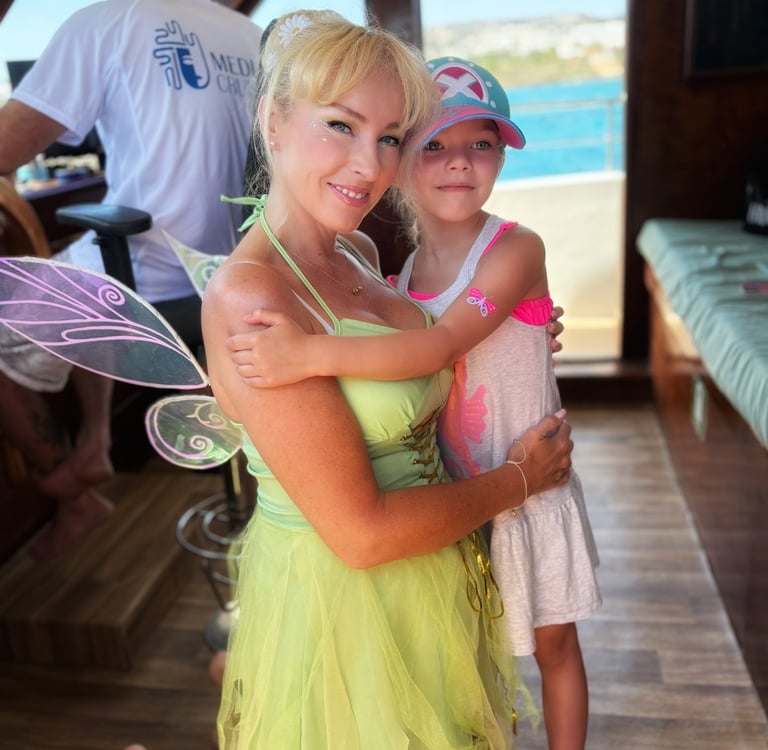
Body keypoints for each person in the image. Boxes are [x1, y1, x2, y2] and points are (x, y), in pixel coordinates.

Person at [200, 10, 574, 749]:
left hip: (439, 571)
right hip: (353, 612)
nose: (369, 167)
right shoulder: (253, 297)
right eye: (341, 126)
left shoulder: (364, 252)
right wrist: (521, 480)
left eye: (391, 137)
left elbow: (434, 352)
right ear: (274, 123)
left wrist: (522, 337)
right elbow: (361, 536)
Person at [0, 0, 262, 558]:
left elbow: (6, 148)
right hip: (247, 278)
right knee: (83, 269)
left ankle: (72, 472)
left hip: (153, 288)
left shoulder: (109, 20)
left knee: (23, 315)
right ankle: (96, 443)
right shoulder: (252, 34)